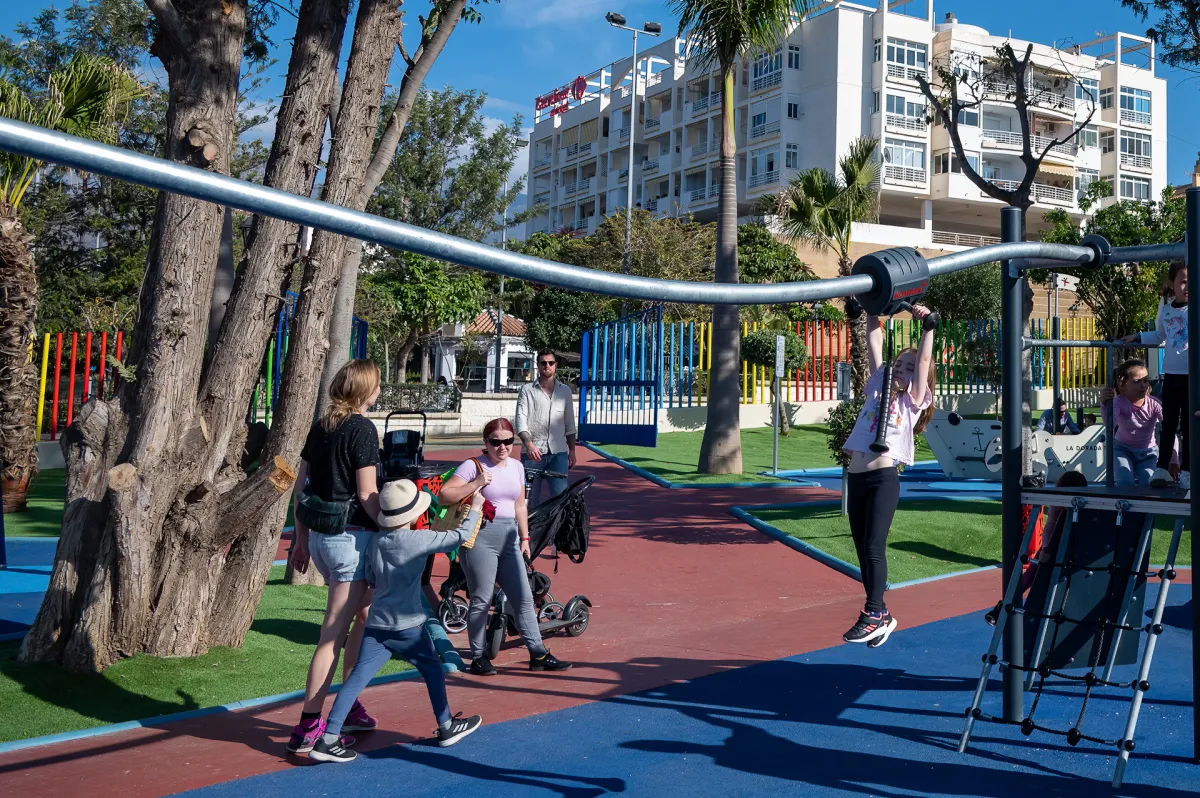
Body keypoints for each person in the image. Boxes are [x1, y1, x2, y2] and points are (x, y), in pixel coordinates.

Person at [309, 480, 487, 763]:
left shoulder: (377, 543)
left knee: (355, 681)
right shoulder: (420, 539)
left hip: (377, 625)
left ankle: (328, 738)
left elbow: (371, 578)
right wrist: (475, 507)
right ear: (413, 514)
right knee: (431, 669)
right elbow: (462, 535)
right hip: (408, 626)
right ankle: (446, 725)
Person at [285, 359, 383, 754]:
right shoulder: (362, 428)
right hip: (350, 542)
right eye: (377, 385)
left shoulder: (322, 425)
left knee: (363, 617)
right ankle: (309, 727)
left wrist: (301, 540)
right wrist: (396, 526)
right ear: (365, 390)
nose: (380, 391)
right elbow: (366, 494)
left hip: (325, 539)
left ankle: (349, 704)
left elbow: (301, 487)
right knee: (332, 634)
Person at [437, 418, 573, 675]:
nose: (502, 447)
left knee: (523, 597)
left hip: (510, 537)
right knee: (481, 598)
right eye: (496, 442)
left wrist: (525, 539)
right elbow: (445, 494)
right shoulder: (472, 465)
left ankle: (538, 653)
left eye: (508, 441)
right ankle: (478, 656)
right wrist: (476, 483)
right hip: (480, 538)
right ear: (485, 443)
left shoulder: (517, 467)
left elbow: (520, 505)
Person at [840, 304, 938, 648]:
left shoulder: (912, 400)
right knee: (861, 549)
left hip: (883, 479)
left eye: (910, 368)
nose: (903, 368)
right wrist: (871, 308)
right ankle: (880, 616)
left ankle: (874, 611)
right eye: (901, 363)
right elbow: (874, 339)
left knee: (873, 546)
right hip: (857, 478)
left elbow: (923, 363)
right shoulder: (878, 384)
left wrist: (927, 327)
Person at [1116, 262, 1189, 489]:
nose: (1188, 286)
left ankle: (1187, 470)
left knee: (1187, 426)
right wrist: (1137, 336)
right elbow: (1159, 336)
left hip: (1191, 376)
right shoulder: (1166, 309)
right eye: (1183, 281)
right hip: (1171, 374)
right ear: (1172, 284)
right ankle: (1162, 468)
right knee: (1168, 424)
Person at [985, 469, 1089, 626]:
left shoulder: (1085, 502)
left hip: (1073, 547)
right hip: (1055, 545)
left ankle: (1007, 609)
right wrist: (1046, 549)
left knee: (1042, 581)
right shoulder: (1059, 500)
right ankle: (1002, 608)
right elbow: (1050, 526)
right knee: (1031, 577)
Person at [1100, 358, 1178, 487]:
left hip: (1148, 452)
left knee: (1147, 484)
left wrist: (1173, 460)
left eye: (1145, 380)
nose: (1143, 385)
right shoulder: (1118, 402)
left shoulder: (1154, 404)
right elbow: (1110, 425)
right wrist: (1104, 404)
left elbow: (1170, 431)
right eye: (1137, 381)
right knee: (1125, 482)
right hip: (1123, 450)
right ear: (1123, 384)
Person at [515, 350, 576, 507]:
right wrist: (529, 445)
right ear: (538, 365)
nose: (547, 366)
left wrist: (572, 451)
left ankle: (558, 530)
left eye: (551, 363)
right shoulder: (527, 390)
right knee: (530, 500)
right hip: (533, 453)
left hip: (559, 454)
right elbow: (520, 420)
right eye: (543, 363)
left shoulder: (565, 391)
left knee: (561, 497)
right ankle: (529, 531)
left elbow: (569, 423)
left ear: (555, 365)